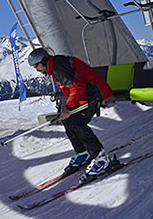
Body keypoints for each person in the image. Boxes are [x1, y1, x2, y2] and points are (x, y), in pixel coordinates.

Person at [28, 48, 114, 178]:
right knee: (67, 120)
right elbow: (73, 88)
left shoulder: (58, 68)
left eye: (37, 66)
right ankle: (83, 152)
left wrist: (68, 108)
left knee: (78, 123)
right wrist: (68, 108)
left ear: (44, 61)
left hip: (94, 93)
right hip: (84, 95)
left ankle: (101, 158)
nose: (37, 69)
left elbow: (78, 86)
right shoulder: (55, 65)